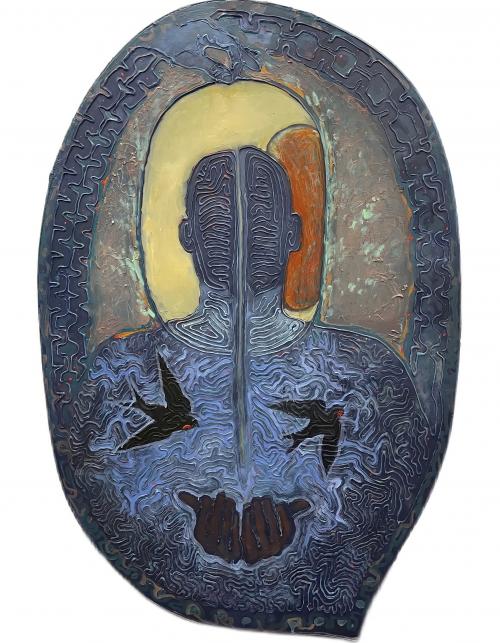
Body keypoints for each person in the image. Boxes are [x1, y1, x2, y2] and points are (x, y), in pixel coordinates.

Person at [72, 146, 429, 619]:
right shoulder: (120, 372)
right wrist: (184, 539)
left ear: (294, 233)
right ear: (187, 235)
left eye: (261, 209)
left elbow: (384, 500)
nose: (241, 227)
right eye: (218, 212)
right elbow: (104, 494)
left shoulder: (365, 374)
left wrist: (306, 538)